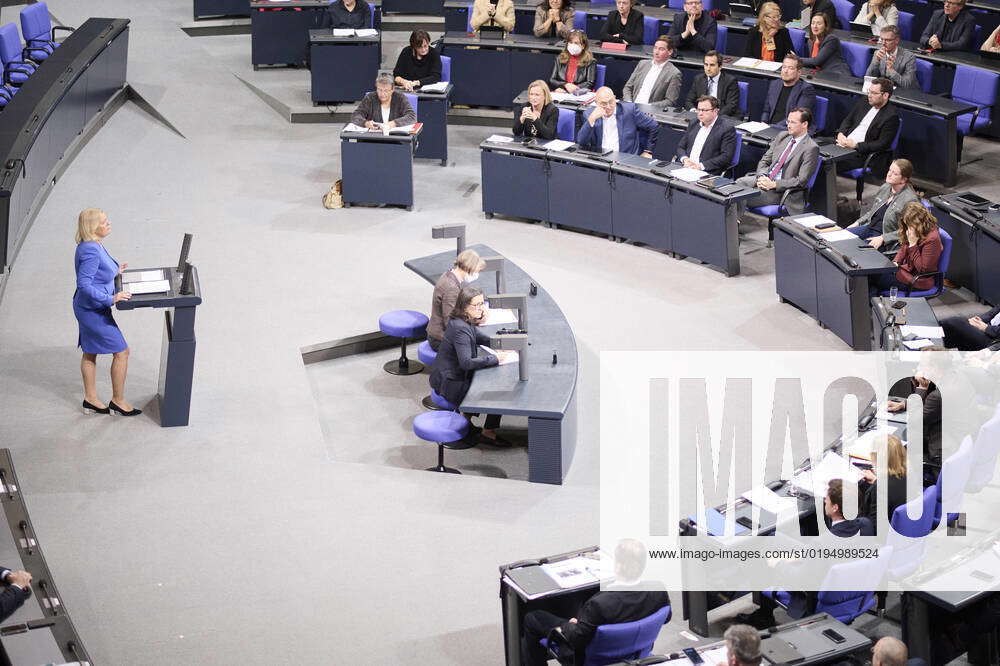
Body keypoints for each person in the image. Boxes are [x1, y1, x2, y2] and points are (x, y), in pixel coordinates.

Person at [521, 539, 670, 666]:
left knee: (532, 618)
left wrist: (571, 625)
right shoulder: (658, 589)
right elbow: (666, 617)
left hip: (587, 659)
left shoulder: (599, 605)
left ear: (618, 566)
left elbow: (576, 640)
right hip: (637, 653)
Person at [73, 208, 141, 417]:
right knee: (122, 352)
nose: (108, 223)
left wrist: (114, 270)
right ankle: (118, 401)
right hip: (91, 310)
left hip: (88, 307)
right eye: (104, 222)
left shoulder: (91, 244)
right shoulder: (91, 250)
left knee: (90, 352)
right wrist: (111, 298)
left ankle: (90, 399)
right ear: (94, 227)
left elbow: (96, 273)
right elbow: (84, 284)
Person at [429, 286, 516, 446]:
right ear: (464, 307)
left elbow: (480, 337)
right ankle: (488, 432)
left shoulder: (463, 321)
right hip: (451, 384)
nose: (481, 308)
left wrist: (501, 344)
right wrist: (496, 358)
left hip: (451, 377)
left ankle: (466, 419)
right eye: (476, 305)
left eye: (482, 303)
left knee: (484, 380)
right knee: (497, 391)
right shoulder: (460, 329)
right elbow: (467, 363)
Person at [737, 108, 820, 215]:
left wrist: (774, 184)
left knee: (740, 196)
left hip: (781, 191)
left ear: (804, 124)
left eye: (793, 122)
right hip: (766, 179)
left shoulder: (811, 148)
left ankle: (734, 225)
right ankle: (735, 224)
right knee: (738, 184)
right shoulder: (782, 136)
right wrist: (762, 176)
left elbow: (801, 180)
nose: (789, 125)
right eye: (788, 121)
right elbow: (765, 160)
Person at [887, 345, 944, 465]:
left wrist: (921, 387)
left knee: (892, 446)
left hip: (939, 451)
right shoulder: (949, 376)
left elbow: (914, 421)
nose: (918, 368)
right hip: (954, 437)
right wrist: (904, 404)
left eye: (922, 365)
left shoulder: (938, 396)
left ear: (935, 368)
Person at [845, 158, 918, 251]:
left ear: (903, 179)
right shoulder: (885, 187)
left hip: (884, 236)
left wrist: (883, 238)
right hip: (869, 227)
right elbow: (871, 212)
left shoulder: (910, 200)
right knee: (842, 237)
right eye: (890, 170)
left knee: (857, 251)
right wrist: (857, 223)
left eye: (894, 173)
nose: (889, 174)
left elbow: (910, 231)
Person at [834, 77, 900, 178]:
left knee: (828, 164)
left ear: (885, 95)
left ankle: (820, 192)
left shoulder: (891, 116)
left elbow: (882, 144)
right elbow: (848, 120)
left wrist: (856, 145)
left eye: (874, 93)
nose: (869, 95)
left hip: (861, 153)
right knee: (815, 150)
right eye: (869, 91)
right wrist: (840, 134)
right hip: (844, 143)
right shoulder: (864, 101)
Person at [874, 201, 943, 295]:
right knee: (872, 274)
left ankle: (873, 305)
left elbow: (923, 270)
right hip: (904, 271)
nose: (909, 228)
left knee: (872, 278)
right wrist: (896, 261)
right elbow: (904, 246)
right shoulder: (914, 230)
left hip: (918, 281)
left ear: (920, 221)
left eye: (910, 224)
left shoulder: (932, 239)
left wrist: (913, 245)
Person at [427, 250, 486, 351]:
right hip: (440, 340)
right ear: (469, 268)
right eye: (476, 271)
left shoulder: (448, 275)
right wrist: (477, 319)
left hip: (436, 333)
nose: (477, 274)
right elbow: (450, 322)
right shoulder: (451, 288)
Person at [577, 87, 659, 156]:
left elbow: (653, 126)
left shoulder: (629, 110)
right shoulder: (589, 114)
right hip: (600, 160)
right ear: (596, 103)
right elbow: (581, 142)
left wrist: (648, 151)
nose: (608, 107)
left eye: (611, 102)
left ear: (615, 98)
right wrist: (592, 119)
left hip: (625, 161)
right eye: (604, 104)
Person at [674, 95, 738, 174]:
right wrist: (685, 159)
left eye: (704, 110)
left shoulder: (726, 129)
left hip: (706, 171)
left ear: (715, 111)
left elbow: (726, 157)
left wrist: (700, 166)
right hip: (686, 167)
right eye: (699, 109)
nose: (700, 113)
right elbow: (681, 147)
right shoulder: (694, 123)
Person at [859, 434, 909, 524]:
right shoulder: (909, 473)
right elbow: (895, 490)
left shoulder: (880, 488)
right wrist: (876, 481)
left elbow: (874, 527)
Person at [621, 35, 682, 106]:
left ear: (670, 52)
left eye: (661, 49)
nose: (656, 52)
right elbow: (628, 87)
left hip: (651, 112)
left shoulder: (674, 73)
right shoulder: (642, 64)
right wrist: (629, 103)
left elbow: (670, 101)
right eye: (655, 48)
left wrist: (650, 107)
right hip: (632, 106)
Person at [760, 54, 816, 129]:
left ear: (799, 72)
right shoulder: (774, 84)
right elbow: (766, 110)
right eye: (784, 67)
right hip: (769, 128)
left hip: (791, 129)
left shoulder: (806, 89)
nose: (786, 71)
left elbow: (797, 119)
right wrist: (763, 123)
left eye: (790, 68)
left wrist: (770, 127)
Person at [684, 51, 741, 118]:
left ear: (720, 66)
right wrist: (694, 111)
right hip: (701, 117)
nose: (708, 69)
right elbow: (688, 101)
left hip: (721, 117)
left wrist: (713, 116)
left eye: (712, 65)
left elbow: (731, 106)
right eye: (706, 64)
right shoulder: (698, 79)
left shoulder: (730, 81)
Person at [351, 73, 417, 129]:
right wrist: (365, 123)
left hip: (395, 139)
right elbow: (356, 115)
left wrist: (393, 124)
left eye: (386, 91)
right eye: (379, 90)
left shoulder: (400, 98)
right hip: (372, 138)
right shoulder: (370, 98)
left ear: (392, 89)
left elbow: (412, 116)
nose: (382, 94)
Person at [865, 25, 918, 90]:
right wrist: (876, 61)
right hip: (882, 91)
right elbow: (868, 77)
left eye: (887, 40)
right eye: (882, 39)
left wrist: (891, 71)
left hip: (900, 92)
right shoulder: (878, 53)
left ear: (897, 40)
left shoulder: (909, 57)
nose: (883, 43)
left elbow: (907, 84)